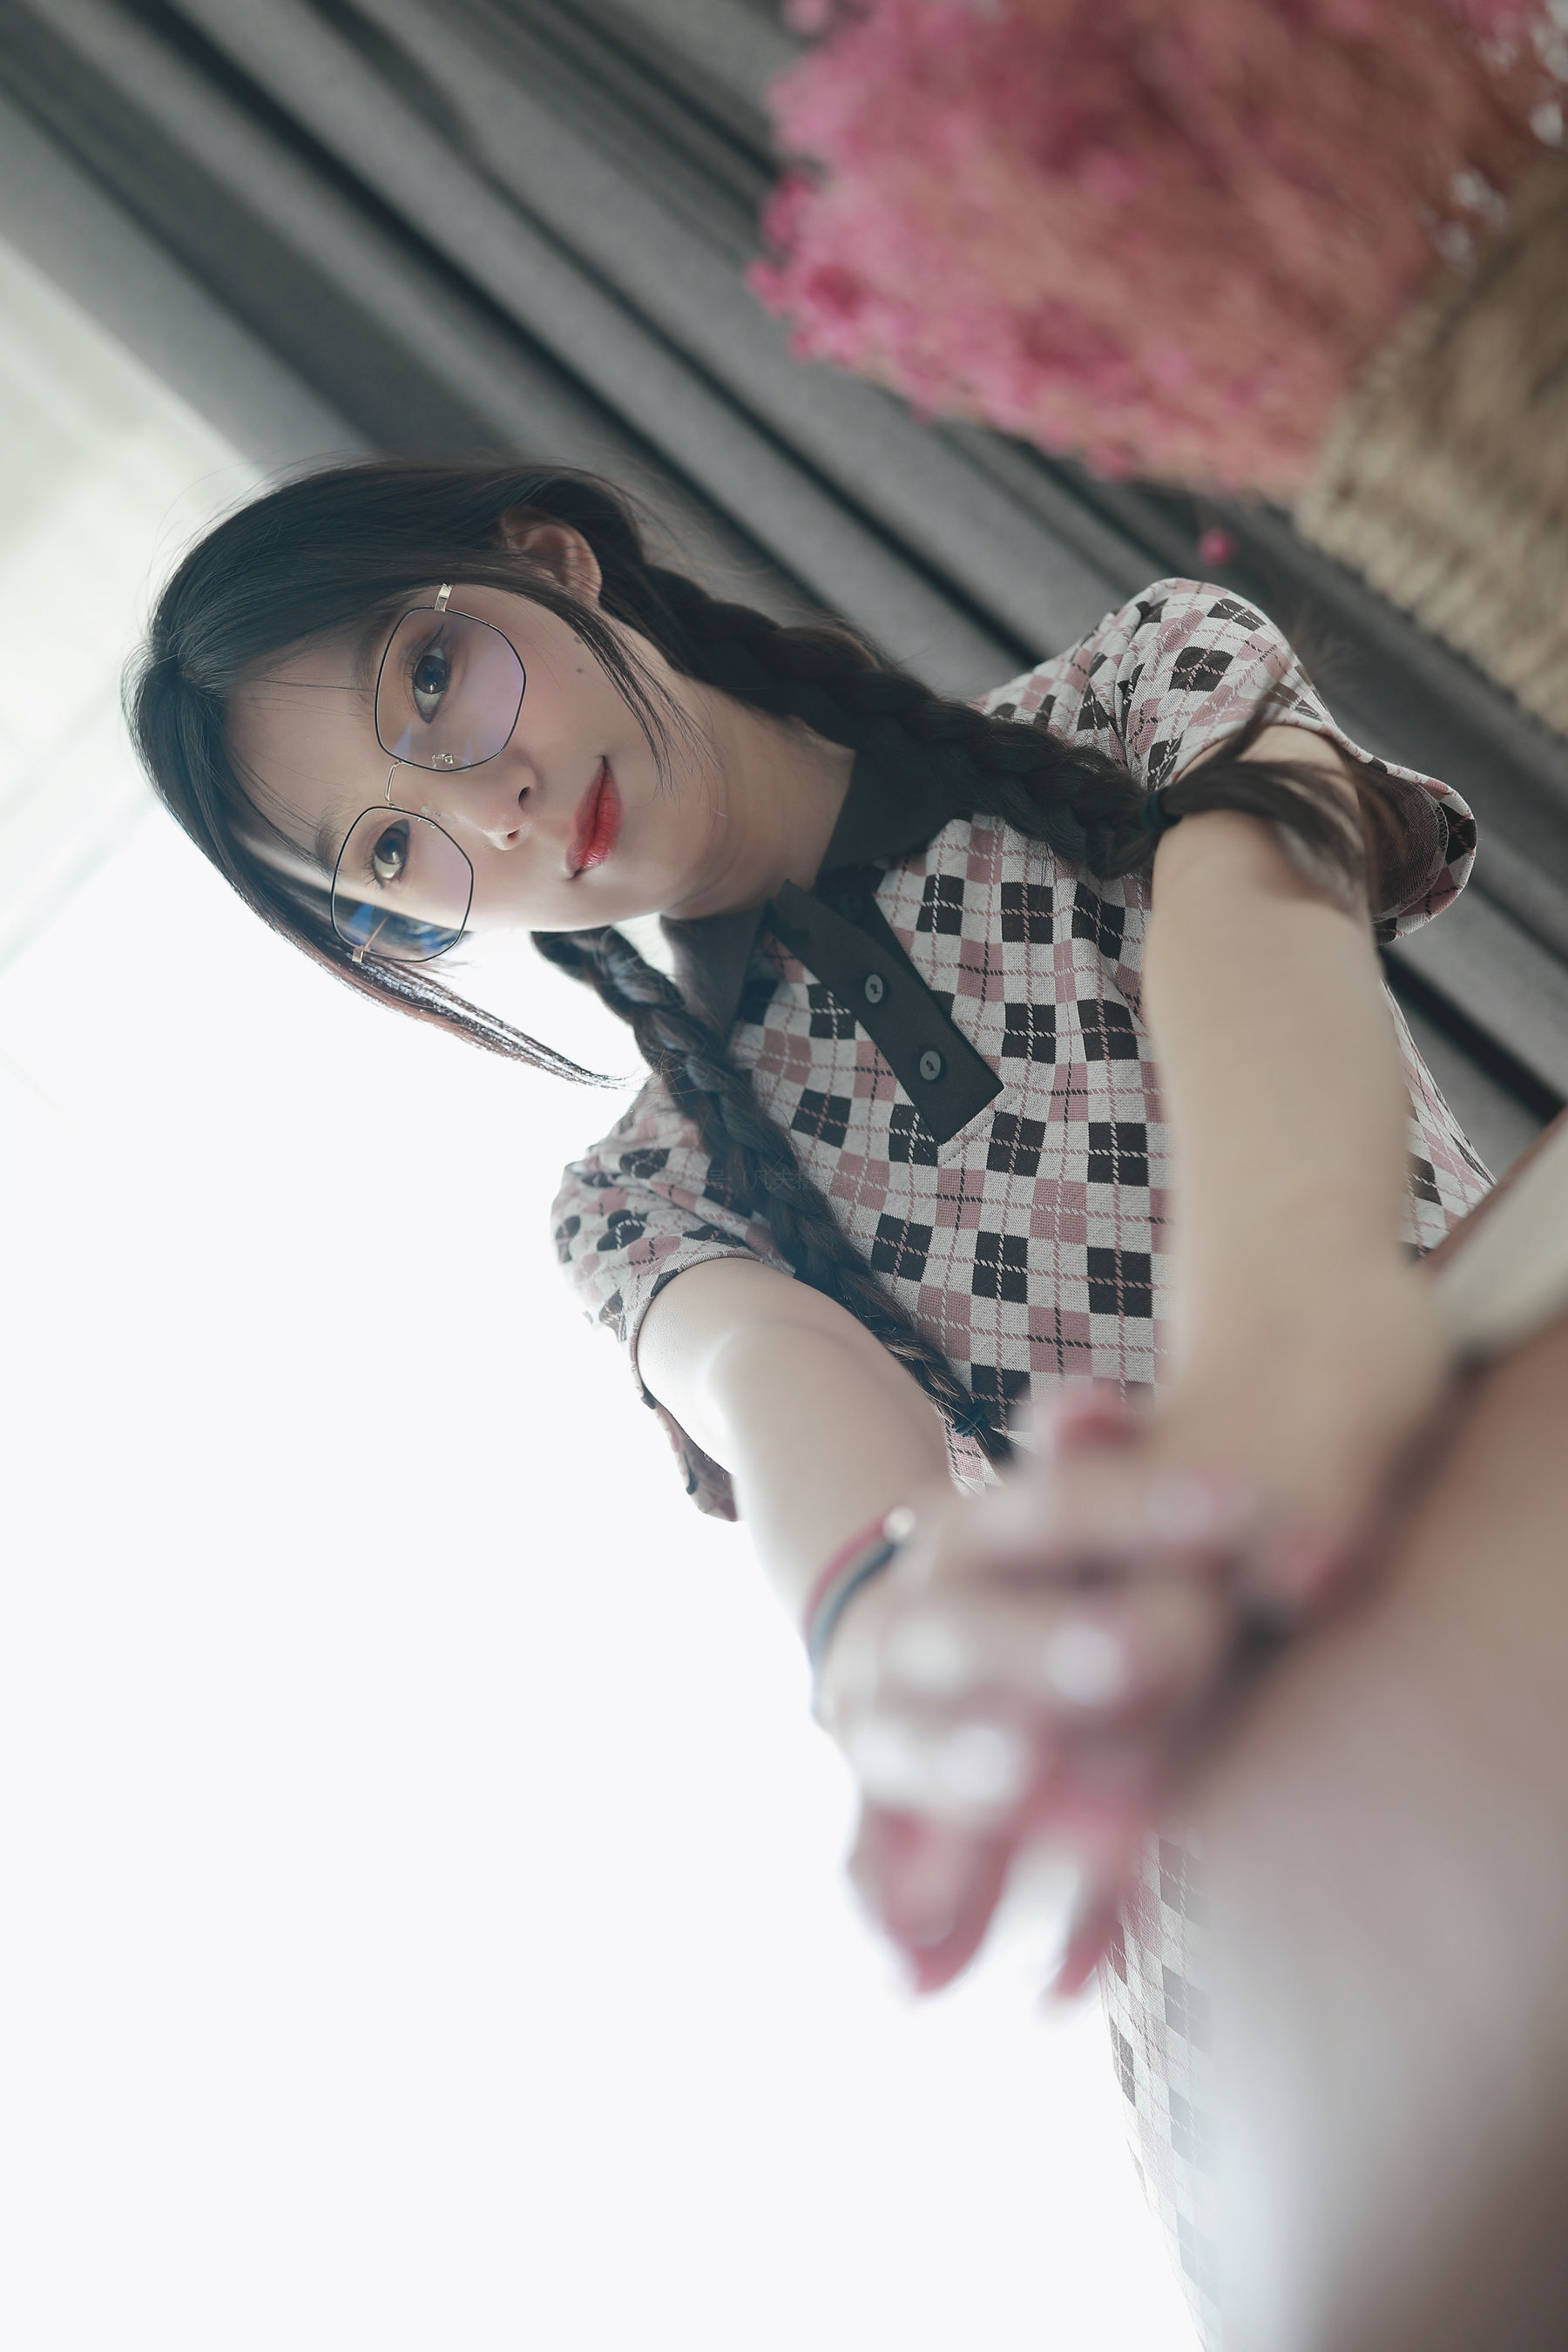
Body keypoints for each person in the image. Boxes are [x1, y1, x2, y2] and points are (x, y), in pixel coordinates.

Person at [130, 458, 1490, 2349]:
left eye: (430, 680)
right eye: (389, 853)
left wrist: (1281, 1333)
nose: (486, 810)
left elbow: (1256, 937)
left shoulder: (1143, 688)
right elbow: (772, 1387)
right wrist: (882, 1636)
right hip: (1251, 1878)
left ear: (548, 560)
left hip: (1496, 1473)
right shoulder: (642, 1194)